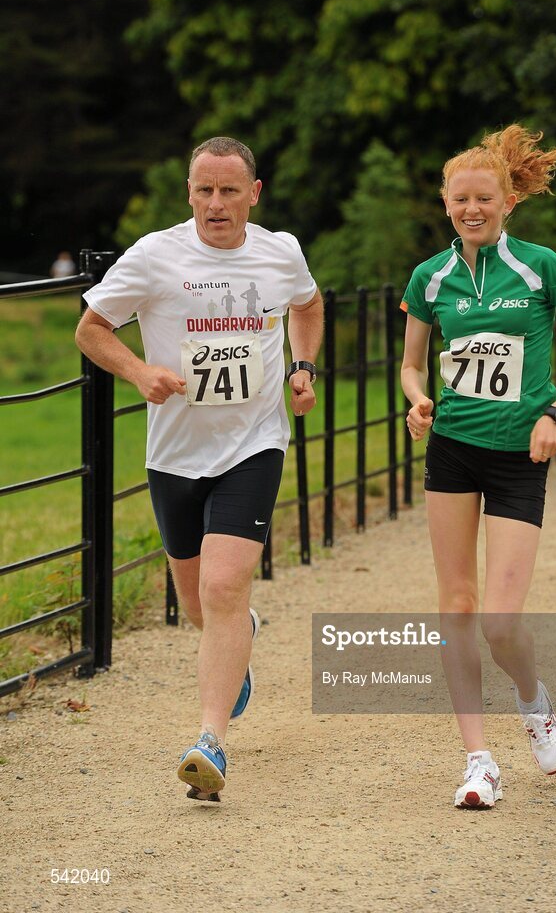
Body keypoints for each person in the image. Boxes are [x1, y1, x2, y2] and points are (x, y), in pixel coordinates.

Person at [75, 136, 323, 801]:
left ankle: (208, 742)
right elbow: (91, 328)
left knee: (221, 589)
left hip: (254, 445)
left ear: (254, 193)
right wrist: (136, 371)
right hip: (175, 456)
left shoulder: (281, 251)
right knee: (199, 607)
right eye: (204, 190)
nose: (216, 203)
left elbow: (307, 303)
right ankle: (237, 638)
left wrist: (302, 367)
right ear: (189, 192)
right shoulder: (156, 255)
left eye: (229, 190)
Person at [400, 125, 556, 809]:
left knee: (499, 620)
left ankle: (534, 702)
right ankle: (478, 760)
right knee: (457, 606)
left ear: (506, 202)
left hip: (520, 455)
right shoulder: (429, 277)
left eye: (484, 199)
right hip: (454, 449)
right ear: (445, 202)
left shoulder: (543, 267)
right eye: (461, 199)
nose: (472, 209)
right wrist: (417, 400)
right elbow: (411, 362)